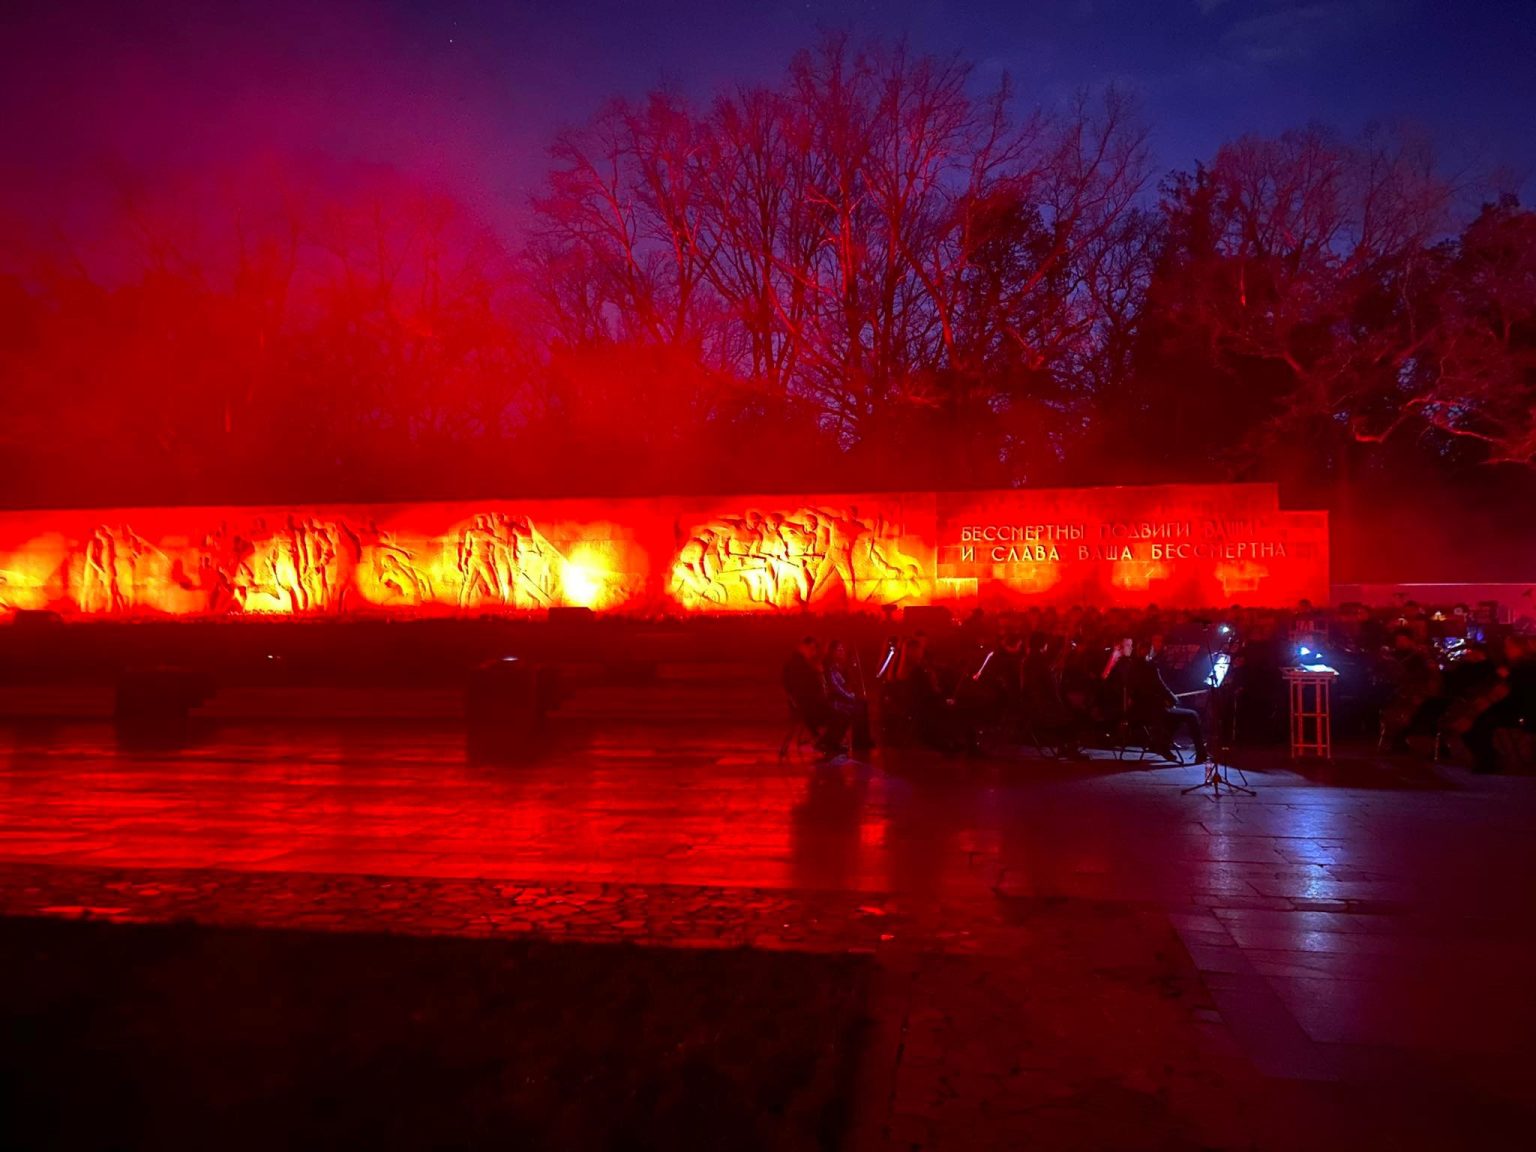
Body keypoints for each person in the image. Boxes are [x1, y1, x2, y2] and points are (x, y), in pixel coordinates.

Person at [1104, 636, 1208, 763]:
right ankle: (1200, 753)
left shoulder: (1128, 665)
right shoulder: (1149, 667)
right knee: (1192, 715)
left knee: (1176, 716)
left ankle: (1161, 743)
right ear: (1147, 650)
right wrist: (1173, 698)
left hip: (1136, 711)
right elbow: (1160, 685)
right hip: (1152, 712)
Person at [781, 636, 848, 757]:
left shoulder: (799, 663)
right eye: (811, 648)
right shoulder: (799, 665)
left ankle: (830, 743)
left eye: (814, 649)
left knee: (842, 713)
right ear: (802, 647)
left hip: (807, 704)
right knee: (842, 715)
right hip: (809, 706)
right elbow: (808, 689)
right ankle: (826, 742)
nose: (813, 651)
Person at [824, 640, 872, 752]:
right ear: (832, 652)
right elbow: (836, 688)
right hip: (835, 701)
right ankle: (859, 741)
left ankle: (862, 739)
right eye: (839, 650)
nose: (842, 652)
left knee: (862, 704)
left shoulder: (841, 667)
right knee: (858, 707)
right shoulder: (831, 668)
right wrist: (850, 696)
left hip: (842, 698)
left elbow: (846, 685)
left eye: (843, 649)